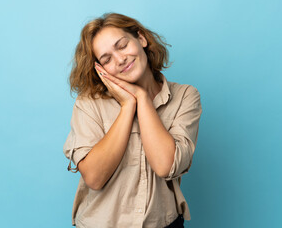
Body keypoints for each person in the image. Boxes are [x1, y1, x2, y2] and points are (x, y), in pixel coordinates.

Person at [63, 12, 202, 228]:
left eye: (122, 45)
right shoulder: (89, 104)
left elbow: (166, 165)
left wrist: (142, 98)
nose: (120, 60)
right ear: (100, 70)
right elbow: (95, 177)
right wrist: (128, 106)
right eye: (106, 59)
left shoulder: (185, 96)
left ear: (141, 39)